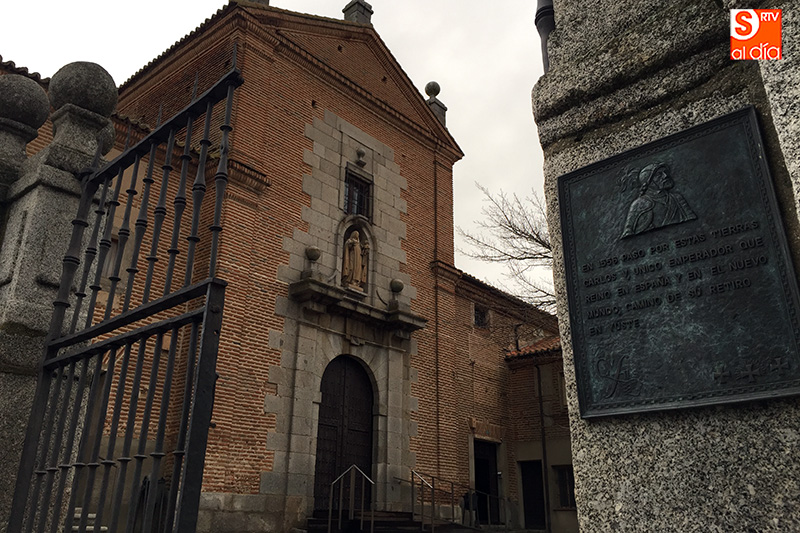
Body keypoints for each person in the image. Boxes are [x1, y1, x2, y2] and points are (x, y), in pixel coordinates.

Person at [620, 162, 696, 238]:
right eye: (659, 174)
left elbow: (692, 221)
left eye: (665, 172)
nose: (665, 176)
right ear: (649, 182)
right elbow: (628, 234)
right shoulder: (638, 204)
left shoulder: (677, 198)